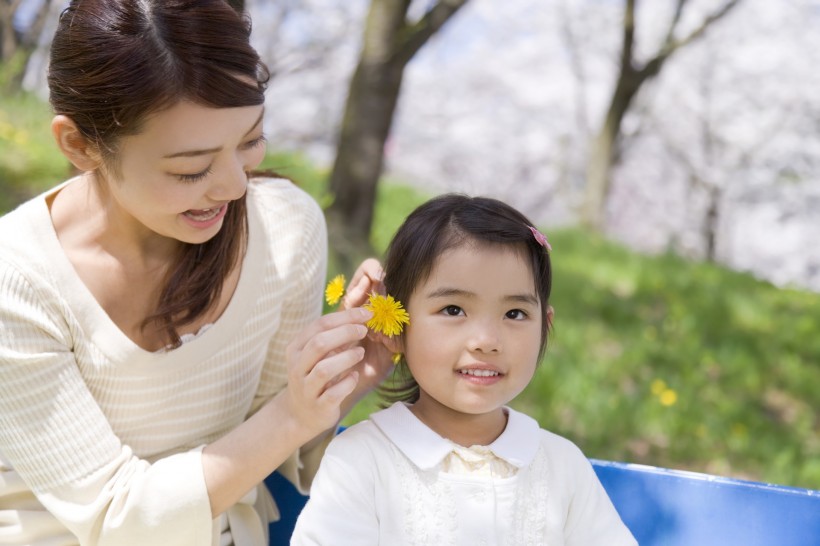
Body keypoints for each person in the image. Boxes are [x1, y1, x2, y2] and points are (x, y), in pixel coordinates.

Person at [0, 1, 393, 545]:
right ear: (79, 144)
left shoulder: (283, 228)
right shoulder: (17, 280)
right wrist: (291, 417)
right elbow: (115, 518)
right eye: (191, 169)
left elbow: (274, 447)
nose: (234, 186)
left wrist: (338, 380)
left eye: (250, 141)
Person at [291, 194, 637, 545]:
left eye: (515, 314)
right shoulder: (362, 460)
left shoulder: (562, 467)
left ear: (544, 327)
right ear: (394, 326)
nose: (486, 341)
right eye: (454, 310)